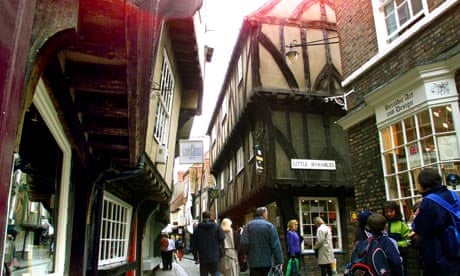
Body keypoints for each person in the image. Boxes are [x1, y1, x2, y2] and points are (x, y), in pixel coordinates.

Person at [413, 168, 460, 275]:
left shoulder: (429, 201)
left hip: (441, 254)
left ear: (423, 183)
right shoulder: (453, 195)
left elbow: (424, 228)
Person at [240, 206, 284, 276]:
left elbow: (244, 242)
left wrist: (246, 254)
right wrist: (280, 260)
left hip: (253, 260)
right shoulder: (270, 226)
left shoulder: (248, 226)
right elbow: (275, 245)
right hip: (267, 261)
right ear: (264, 214)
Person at [192, 211, 225, 276]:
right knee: (215, 272)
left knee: (204, 273)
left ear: (202, 217)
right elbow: (222, 238)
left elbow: (194, 244)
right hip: (215, 255)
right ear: (210, 217)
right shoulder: (216, 227)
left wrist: (195, 256)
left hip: (203, 256)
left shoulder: (197, 228)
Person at [382, 201, 410, 275]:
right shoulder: (383, 224)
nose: (389, 214)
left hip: (400, 254)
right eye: (386, 212)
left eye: (391, 211)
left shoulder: (401, 224)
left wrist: (397, 244)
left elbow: (407, 240)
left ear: (396, 211)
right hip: (386, 254)